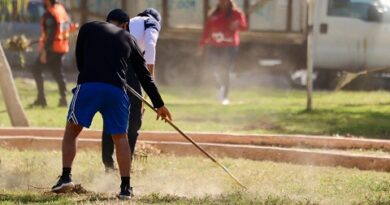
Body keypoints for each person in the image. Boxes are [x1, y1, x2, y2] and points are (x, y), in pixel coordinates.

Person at [50, 9, 172, 199]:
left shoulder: (89, 28)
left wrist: (88, 73)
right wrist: (159, 104)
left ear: (107, 21)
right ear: (125, 25)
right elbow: (144, 76)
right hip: (116, 91)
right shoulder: (129, 39)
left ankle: (66, 176)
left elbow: (79, 58)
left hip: (89, 86)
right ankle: (125, 188)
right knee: (120, 138)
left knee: (72, 130)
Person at [101, 8, 162, 172]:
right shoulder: (153, 23)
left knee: (112, 111)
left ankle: (108, 163)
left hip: (112, 64)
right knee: (135, 114)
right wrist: (150, 81)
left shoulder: (133, 21)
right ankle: (127, 160)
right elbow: (150, 45)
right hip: (128, 65)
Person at [197, 0, 247, 105]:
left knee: (225, 70)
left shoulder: (236, 13)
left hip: (230, 46)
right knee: (211, 69)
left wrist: (237, 25)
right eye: (221, 1)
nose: (223, 2)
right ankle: (219, 87)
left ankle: (224, 97)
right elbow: (207, 31)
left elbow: (244, 26)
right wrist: (202, 45)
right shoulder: (213, 14)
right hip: (214, 46)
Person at [31, 0, 77, 107]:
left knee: (36, 70)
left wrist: (44, 51)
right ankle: (63, 99)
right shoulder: (60, 10)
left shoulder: (50, 13)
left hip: (51, 49)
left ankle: (41, 99)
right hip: (61, 47)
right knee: (57, 73)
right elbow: (67, 27)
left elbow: (51, 34)